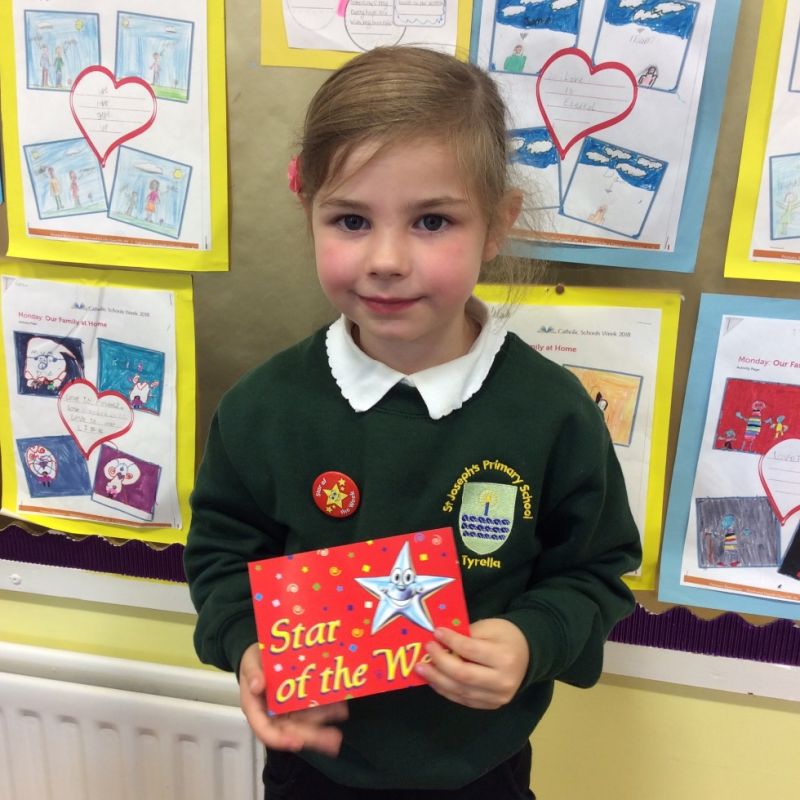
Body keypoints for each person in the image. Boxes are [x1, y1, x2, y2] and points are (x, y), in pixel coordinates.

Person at [184, 46, 641, 799]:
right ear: (309, 215)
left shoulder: (553, 412)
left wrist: (530, 639)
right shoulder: (263, 408)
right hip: (313, 765)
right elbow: (222, 558)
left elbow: (594, 570)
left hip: (482, 773)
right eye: (351, 220)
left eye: (432, 220)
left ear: (496, 225)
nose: (387, 259)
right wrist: (249, 648)